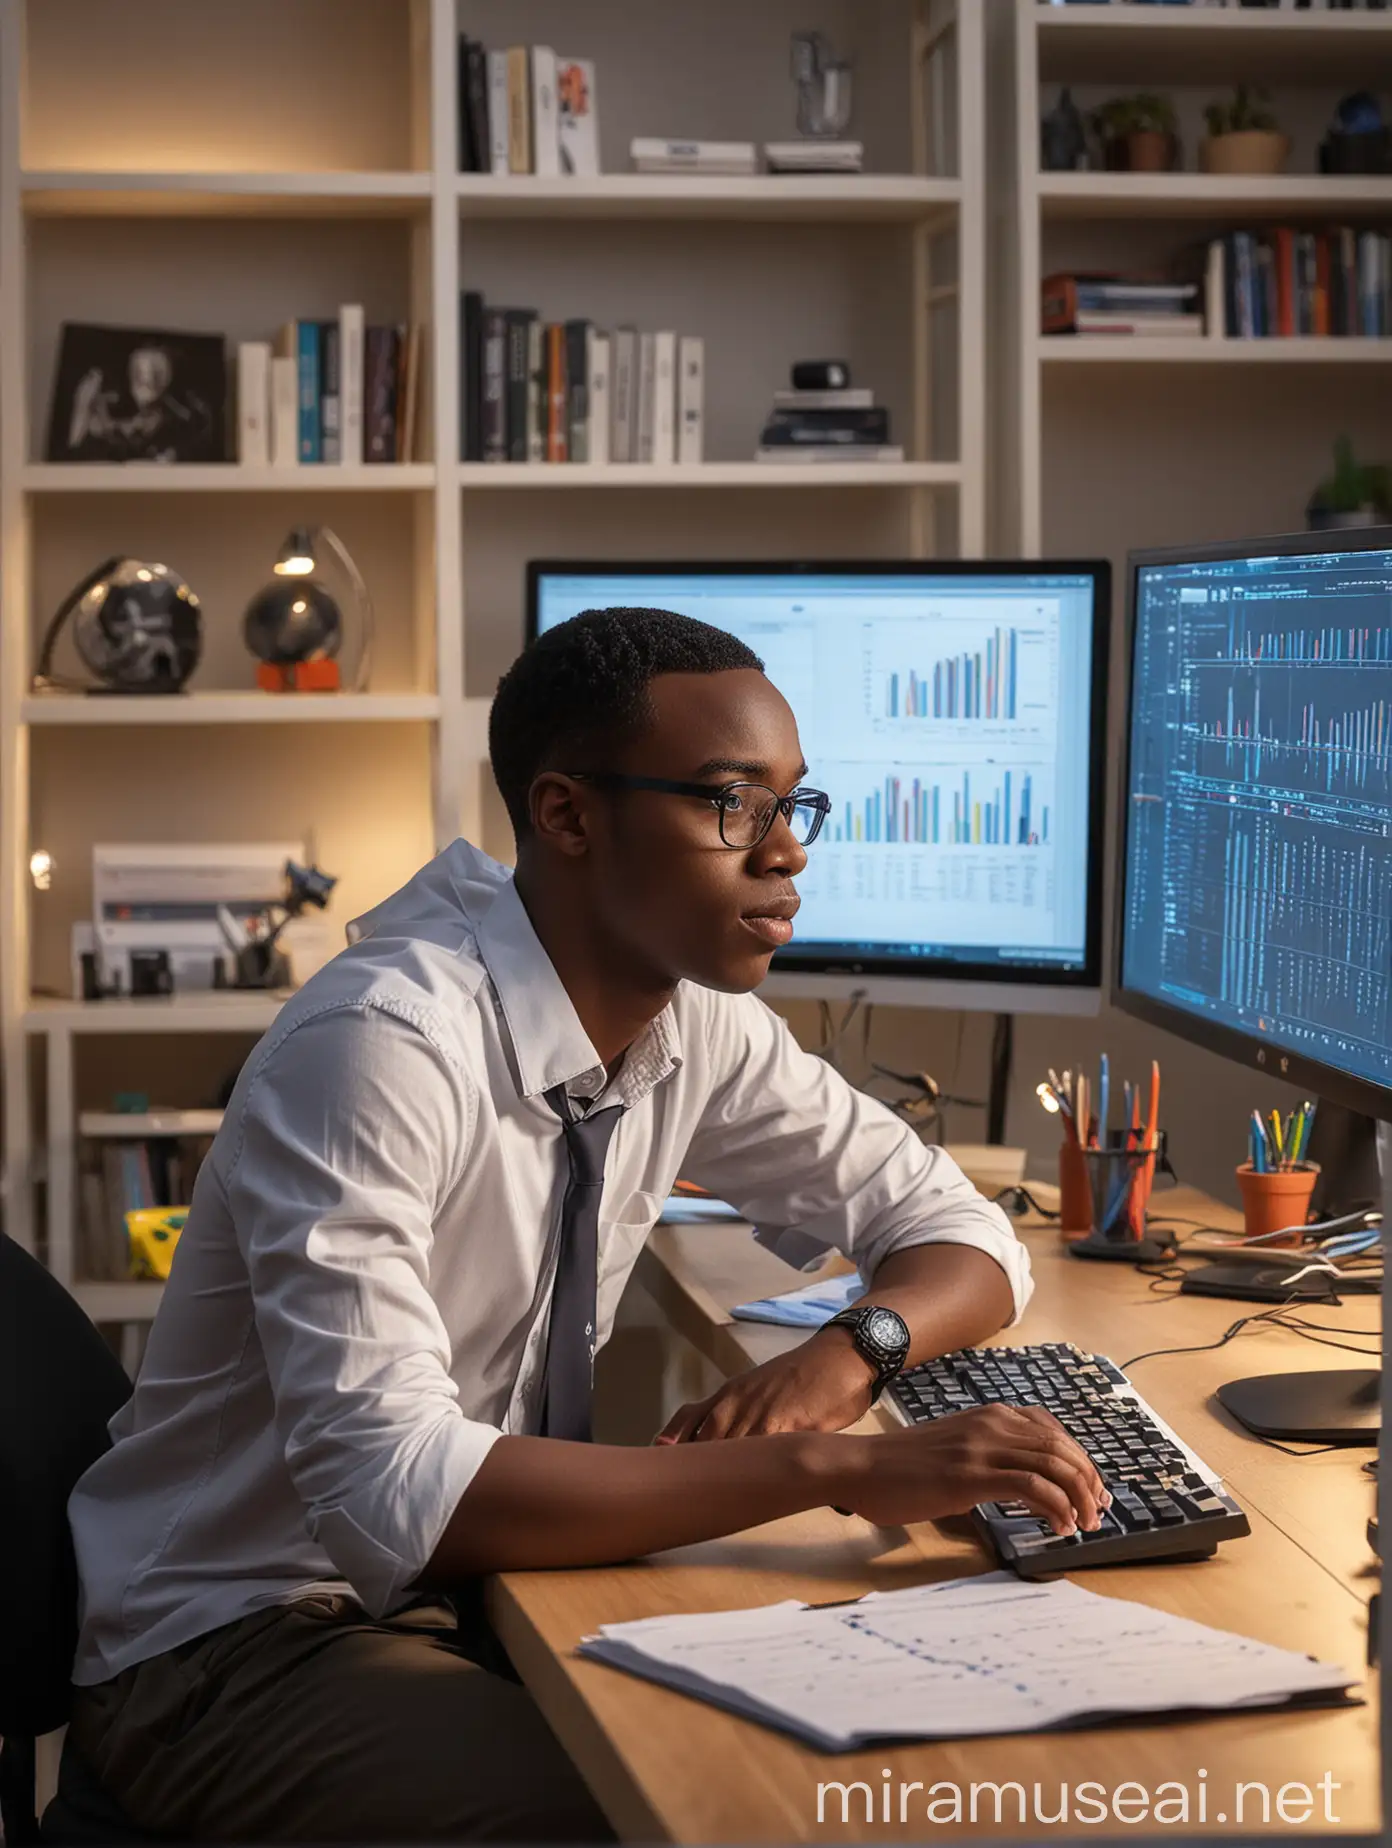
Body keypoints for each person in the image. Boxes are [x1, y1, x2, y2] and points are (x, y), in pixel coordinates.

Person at [65, 608, 1106, 1842]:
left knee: (912, 1763)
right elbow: (395, 1492)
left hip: (470, 1593)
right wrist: (844, 1468)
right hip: (237, 1641)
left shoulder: (688, 1021)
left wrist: (845, 1361)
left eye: (795, 807)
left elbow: (958, 1230)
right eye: (734, 804)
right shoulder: (380, 1048)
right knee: (695, 1812)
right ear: (565, 815)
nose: (787, 856)